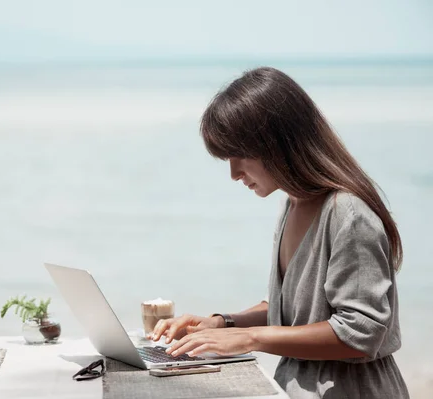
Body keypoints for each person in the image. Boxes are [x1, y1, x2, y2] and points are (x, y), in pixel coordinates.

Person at [150, 67, 409, 398]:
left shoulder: (348, 214)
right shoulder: (294, 203)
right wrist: (223, 323)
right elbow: (300, 312)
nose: (233, 173)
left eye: (241, 154)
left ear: (281, 143)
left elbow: (361, 333)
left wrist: (251, 338)